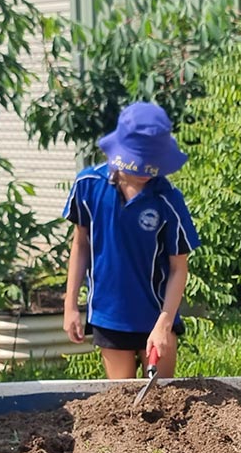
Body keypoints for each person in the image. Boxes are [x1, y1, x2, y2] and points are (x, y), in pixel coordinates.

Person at [62, 102, 199, 380]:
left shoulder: (167, 199)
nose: (146, 171)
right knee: (122, 400)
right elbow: (81, 246)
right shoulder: (88, 185)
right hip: (109, 314)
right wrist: (70, 306)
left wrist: (165, 322)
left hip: (157, 313)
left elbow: (178, 267)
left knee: (162, 399)